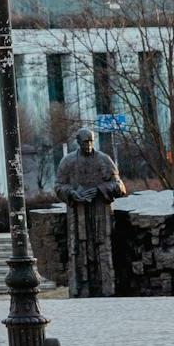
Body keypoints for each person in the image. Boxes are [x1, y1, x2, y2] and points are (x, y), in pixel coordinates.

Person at [52, 127, 126, 297]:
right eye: (85, 142)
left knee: (103, 248)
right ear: (78, 142)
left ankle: (107, 289)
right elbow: (58, 186)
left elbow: (120, 186)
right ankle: (80, 290)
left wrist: (100, 190)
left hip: (101, 212)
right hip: (78, 214)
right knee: (78, 249)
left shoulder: (104, 160)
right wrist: (72, 193)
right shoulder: (68, 162)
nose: (89, 145)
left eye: (92, 141)